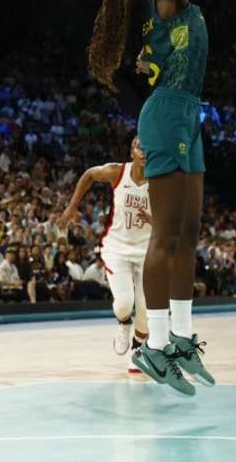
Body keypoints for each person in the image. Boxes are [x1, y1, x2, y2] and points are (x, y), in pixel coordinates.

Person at [87, 0, 226, 396]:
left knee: (189, 231)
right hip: (166, 110)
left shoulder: (184, 10)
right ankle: (154, 346)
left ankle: (183, 338)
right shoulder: (164, 3)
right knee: (164, 237)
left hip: (187, 112)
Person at [59, 137, 153, 373]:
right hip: (117, 248)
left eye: (149, 149)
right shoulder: (117, 172)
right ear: (132, 150)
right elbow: (89, 174)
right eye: (140, 147)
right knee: (124, 304)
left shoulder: (161, 181)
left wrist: (154, 220)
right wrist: (72, 207)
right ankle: (123, 324)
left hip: (146, 251)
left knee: (146, 310)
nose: (144, 152)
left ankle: (138, 350)